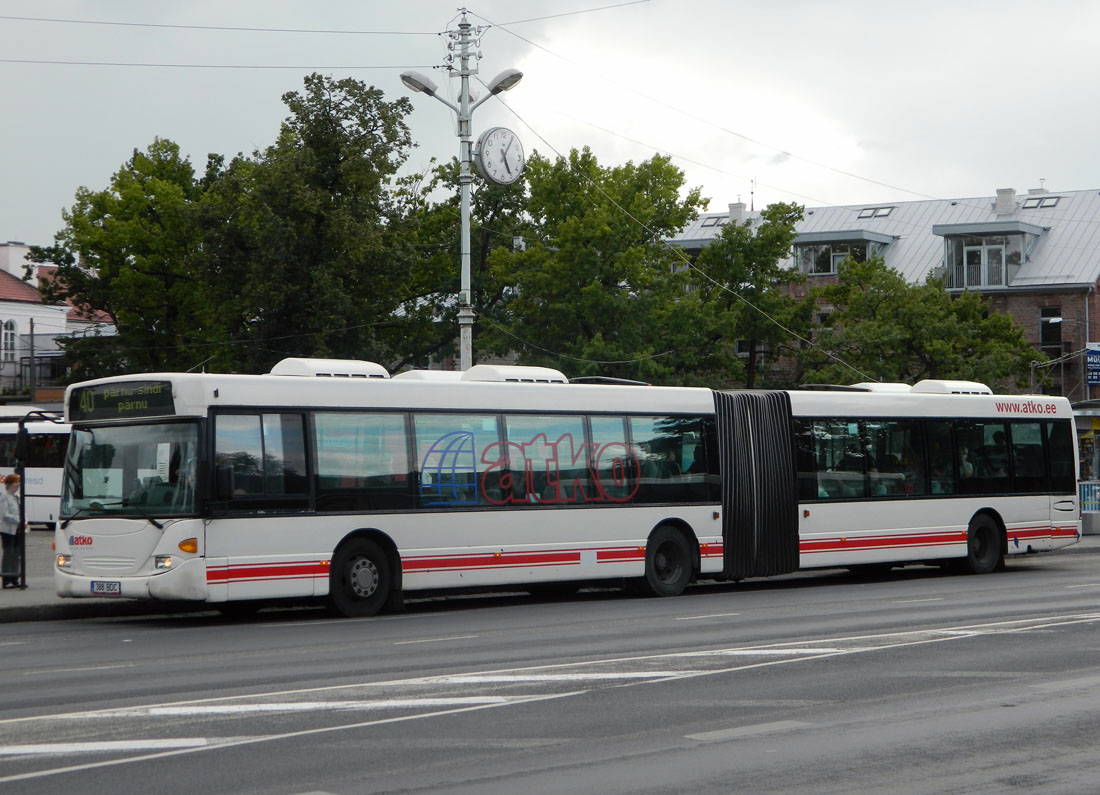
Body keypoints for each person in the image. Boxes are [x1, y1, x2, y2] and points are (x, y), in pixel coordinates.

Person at [1, 473, 21, 589]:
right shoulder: (4, 497)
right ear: (9, 484)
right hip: (7, 529)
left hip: (17, 529)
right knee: (8, 553)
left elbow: (21, 511)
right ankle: (6, 578)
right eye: (15, 483)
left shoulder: (17, 497)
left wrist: (25, 520)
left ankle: (15, 577)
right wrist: (18, 521)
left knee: (17, 553)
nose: (17, 485)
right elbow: (5, 515)